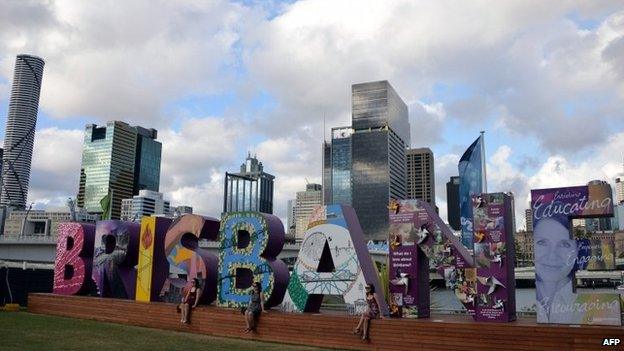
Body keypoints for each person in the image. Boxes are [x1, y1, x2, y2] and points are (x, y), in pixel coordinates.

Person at [534, 216, 578, 323]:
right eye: (542, 243)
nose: (552, 256)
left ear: (576, 251)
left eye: (564, 244)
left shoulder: (595, 306)